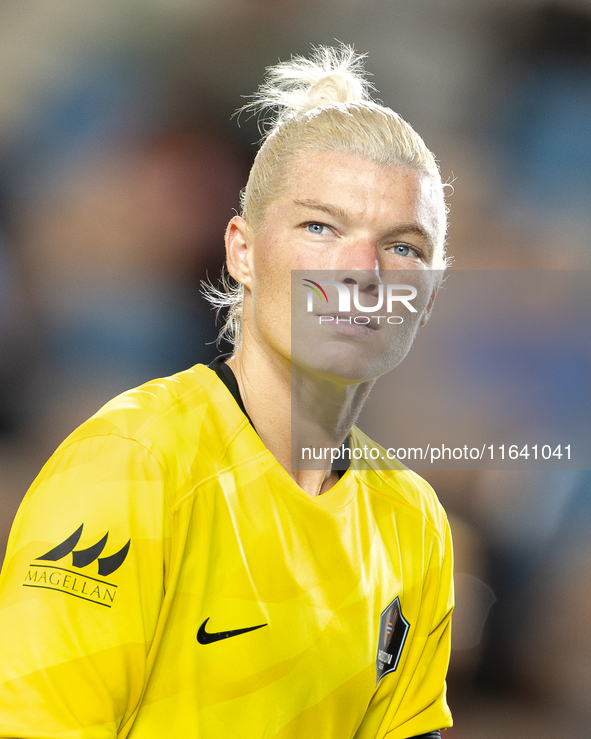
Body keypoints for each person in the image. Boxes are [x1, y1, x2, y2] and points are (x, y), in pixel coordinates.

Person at [0, 45, 453, 738]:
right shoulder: (131, 465)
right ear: (242, 250)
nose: (362, 270)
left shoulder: (414, 523)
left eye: (403, 246)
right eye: (320, 227)